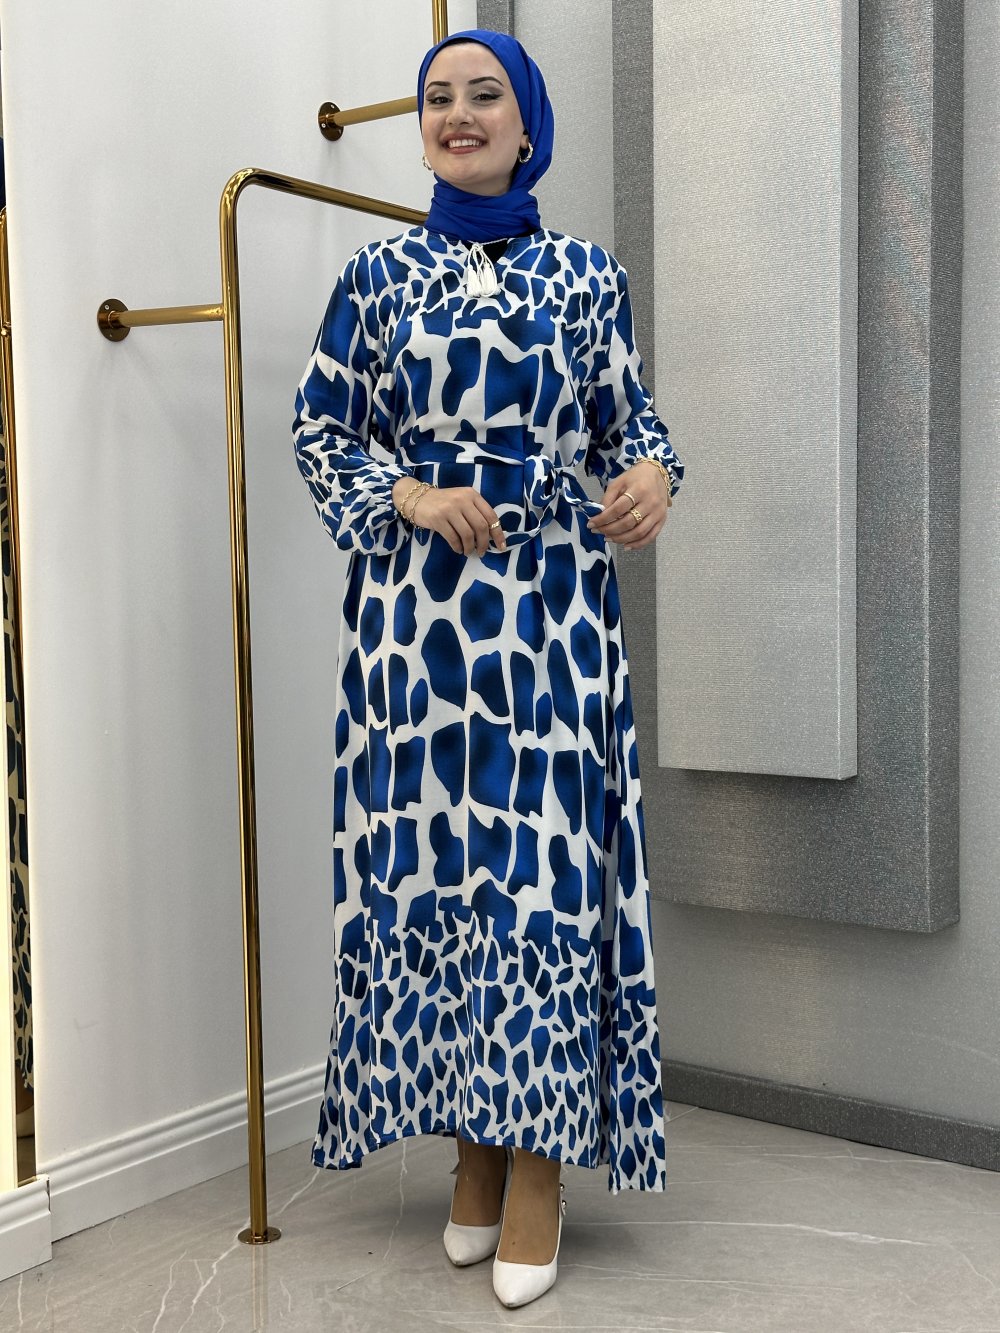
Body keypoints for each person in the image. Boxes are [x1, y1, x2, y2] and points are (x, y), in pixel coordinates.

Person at [292, 28, 683, 1310]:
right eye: (437, 99)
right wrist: (408, 492)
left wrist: (649, 474)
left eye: (484, 96)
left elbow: (630, 425)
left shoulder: (586, 277)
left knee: (541, 879)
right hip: (414, 633)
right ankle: (472, 1146)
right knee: (437, 872)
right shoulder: (376, 277)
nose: (458, 115)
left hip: (551, 623)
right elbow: (319, 431)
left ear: (527, 126)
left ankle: (538, 1169)